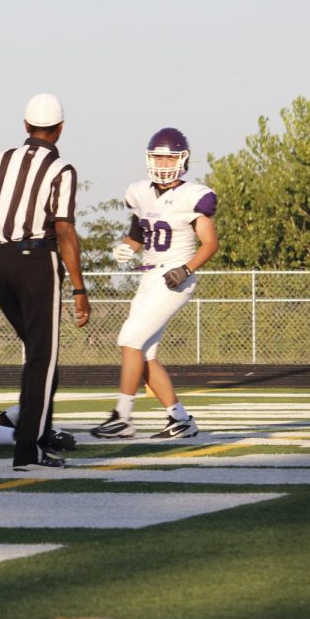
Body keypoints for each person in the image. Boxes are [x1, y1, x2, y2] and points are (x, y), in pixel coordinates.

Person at [91, 127, 218, 439]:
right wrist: (126, 248)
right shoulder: (140, 192)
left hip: (174, 276)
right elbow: (139, 234)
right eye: (158, 159)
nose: (162, 165)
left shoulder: (193, 196)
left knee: (129, 339)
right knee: (144, 354)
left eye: (168, 158)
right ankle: (181, 419)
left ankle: (122, 416)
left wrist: (186, 270)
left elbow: (210, 244)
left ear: (182, 160)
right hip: (149, 276)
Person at [0, 94, 90, 471]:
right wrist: (79, 288)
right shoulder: (62, 169)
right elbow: (63, 229)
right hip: (36, 262)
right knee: (42, 360)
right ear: (61, 128)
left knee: (39, 358)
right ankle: (29, 450)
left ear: (25, 124)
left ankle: (40, 436)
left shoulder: (0, 159)